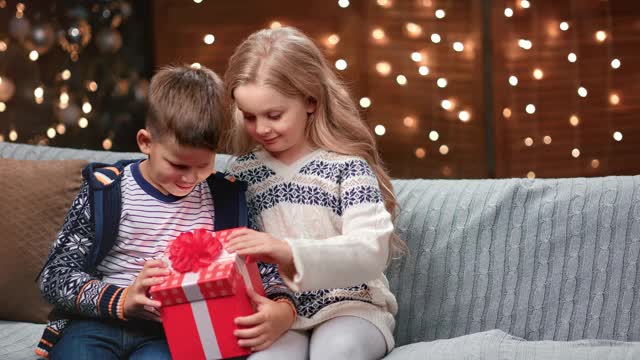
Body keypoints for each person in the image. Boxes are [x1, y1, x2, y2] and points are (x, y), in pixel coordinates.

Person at [35, 65, 297, 359]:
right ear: (146, 142)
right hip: (97, 323)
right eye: (178, 165)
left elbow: (261, 267)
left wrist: (282, 307)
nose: (189, 178)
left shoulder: (226, 198)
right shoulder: (106, 191)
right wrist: (122, 299)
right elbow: (54, 276)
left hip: (172, 332)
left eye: (203, 165)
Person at [223, 27, 405, 360]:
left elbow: (370, 252)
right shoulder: (240, 174)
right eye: (249, 117)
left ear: (310, 101)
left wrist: (286, 250)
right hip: (280, 314)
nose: (261, 128)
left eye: (274, 115)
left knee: (335, 351)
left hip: (352, 308)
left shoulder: (347, 168)